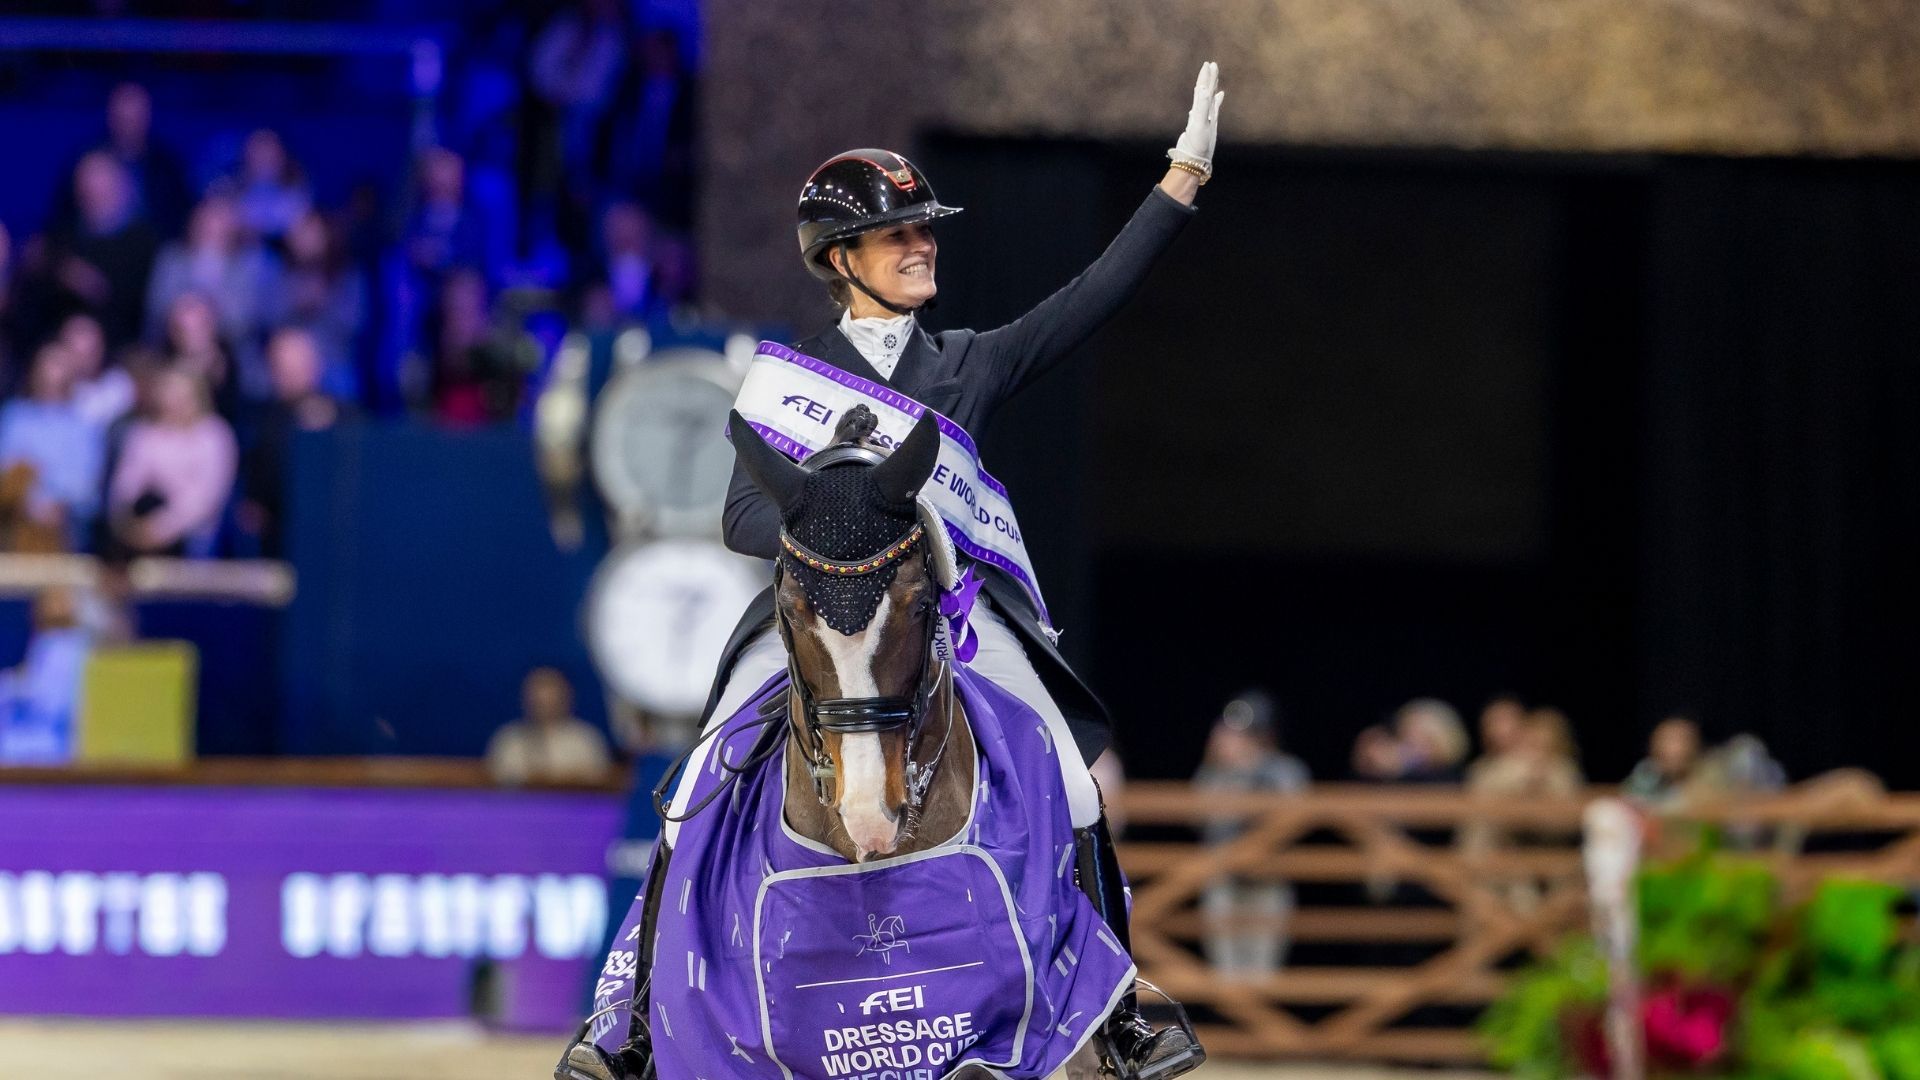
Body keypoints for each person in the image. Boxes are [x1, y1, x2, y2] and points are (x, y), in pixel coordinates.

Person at [600, 62, 1227, 1080]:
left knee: (1070, 775)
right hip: (810, 619)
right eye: (901, 234)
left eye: (925, 229)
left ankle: (1121, 1004)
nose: (922, 243)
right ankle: (625, 1017)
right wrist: (837, 530)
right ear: (840, 258)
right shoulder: (785, 379)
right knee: (693, 786)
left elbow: (1087, 303)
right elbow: (744, 516)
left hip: (949, 618)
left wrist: (1181, 181)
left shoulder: (967, 364)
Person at [1195, 690, 1309, 979]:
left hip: (1268, 885)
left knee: (1261, 977)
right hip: (1224, 883)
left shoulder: (1287, 770)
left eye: (1248, 734)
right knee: (1225, 977)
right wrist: (1220, 766)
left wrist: (1250, 766)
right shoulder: (1216, 773)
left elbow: (1292, 818)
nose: (1239, 740)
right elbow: (1203, 819)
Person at [238, 327, 353, 556]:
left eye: (296, 366)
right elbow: (256, 490)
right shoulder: (263, 422)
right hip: (282, 534)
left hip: (339, 532)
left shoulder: (347, 418)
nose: (287, 374)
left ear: (315, 366)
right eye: (280, 367)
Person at [105, 368, 237, 559]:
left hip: (192, 531)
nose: (175, 403)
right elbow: (125, 485)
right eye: (170, 395)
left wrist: (160, 529)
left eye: (182, 397)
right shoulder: (143, 433)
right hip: (142, 524)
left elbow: (204, 501)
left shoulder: (214, 435)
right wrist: (129, 523)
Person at [0, 341, 107, 551]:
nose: (51, 373)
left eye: (58, 365)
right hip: (15, 514)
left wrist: (54, 503)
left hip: (66, 523)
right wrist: (30, 504)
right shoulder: (14, 416)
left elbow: (86, 486)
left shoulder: (83, 426)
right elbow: (6, 467)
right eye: (46, 364)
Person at [485, 667, 612, 786]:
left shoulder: (586, 739)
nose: (544, 700)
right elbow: (497, 780)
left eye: (551, 692)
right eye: (538, 693)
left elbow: (600, 780)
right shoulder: (509, 740)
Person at [1624, 714, 1703, 809]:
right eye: (1668, 740)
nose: (1675, 749)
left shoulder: (1706, 776)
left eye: (1681, 740)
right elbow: (1629, 801)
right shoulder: (1647, 773)